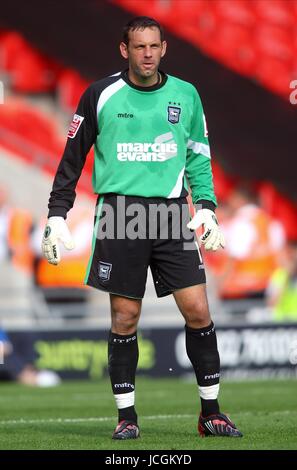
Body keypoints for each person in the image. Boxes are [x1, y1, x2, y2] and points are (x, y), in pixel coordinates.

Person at [41, 16, 242, 439]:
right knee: (126, 317)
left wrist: (205, 207)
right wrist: (57, 214)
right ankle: (127, 418)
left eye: (154, 46)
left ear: (164, 48)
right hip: (119, 214)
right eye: (139, 47)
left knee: (199, 310)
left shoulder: (186, 95)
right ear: (124, 50)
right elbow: (72, 158)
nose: (147, 54)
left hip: (170, 215)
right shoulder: (101, 94)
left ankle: (211, 413)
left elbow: (198, 157)